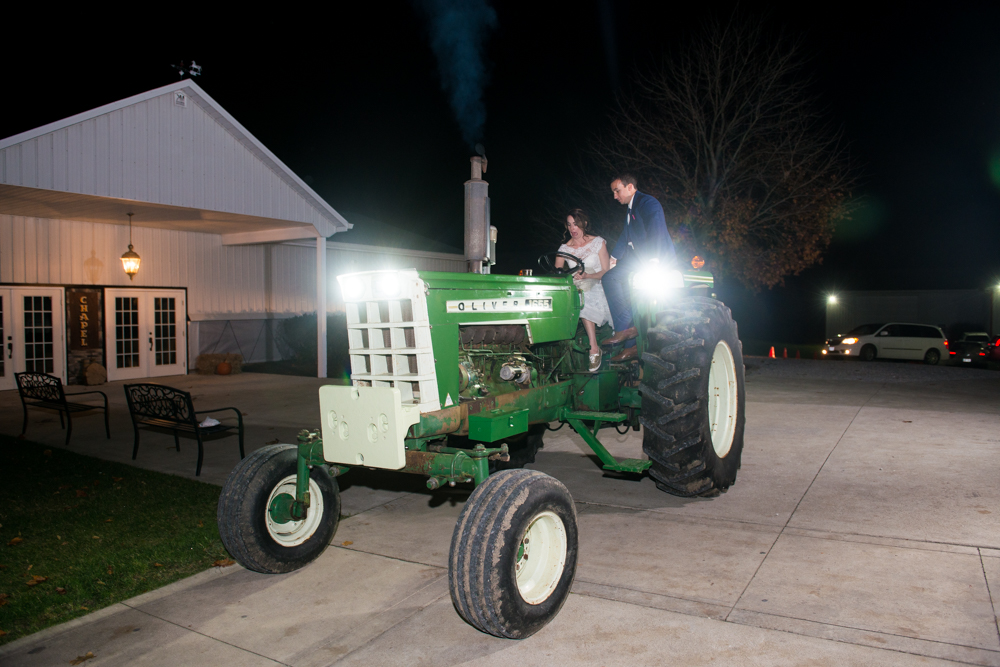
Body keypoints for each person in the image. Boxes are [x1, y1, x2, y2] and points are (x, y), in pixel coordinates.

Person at [601, 174, 677, 362]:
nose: (615, 196)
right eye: (613, 192)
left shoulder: (647, 203)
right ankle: (627, 334)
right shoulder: (630, 209)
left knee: (638, 293)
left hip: (655, 258)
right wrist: (614, 257)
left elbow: (656, 229)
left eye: (617, 191)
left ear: (630, 187)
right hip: (636, 260)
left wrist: (654, 259)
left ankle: (633, 342)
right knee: (610, 278)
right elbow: (626, 235)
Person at [555, 209, 613, 372]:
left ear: (584, 224)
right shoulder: (564, 248)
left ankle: (594, 348)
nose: (573, 228)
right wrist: (568, 279)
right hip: (575, 285)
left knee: (584, 295)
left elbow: (606, 272)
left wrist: (588, 275)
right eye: (569, 224)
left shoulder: (598, 242)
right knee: (575, 293)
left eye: (576, 224)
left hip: (597, 281)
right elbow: (557, 273)